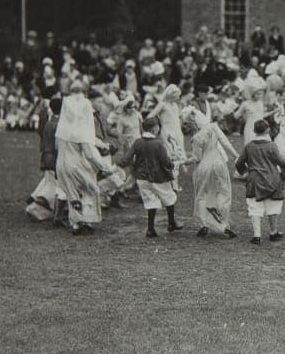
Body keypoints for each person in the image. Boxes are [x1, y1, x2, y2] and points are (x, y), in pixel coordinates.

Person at [54, 80, 116, 236]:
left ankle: (76, 223)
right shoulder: (81, 128)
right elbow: (89, 152)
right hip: (77, 165)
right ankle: (86, 222)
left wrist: (101, 144)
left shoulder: (63, 128)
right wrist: (104, 166)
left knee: (72, 194)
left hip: (62, 165)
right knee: (89, 190)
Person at [234, 118, 285, 245]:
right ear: (267, 130)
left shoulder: (249, 146)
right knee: (273, 206)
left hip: (254, 179)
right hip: (272, 179)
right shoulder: (272, 146)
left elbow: (239, 163)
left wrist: (245, 172)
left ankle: (257, 235)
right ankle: (273, 232)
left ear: (254, 130)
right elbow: (281, 162)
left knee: (254, 207)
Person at [185, 105, 238, 238]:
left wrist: (183, 161)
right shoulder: (213, 127)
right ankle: (223, 223)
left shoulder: (196, 138)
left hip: (204, 166)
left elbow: (197, 158)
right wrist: (236, 155)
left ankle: (204, 224)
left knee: (202, 195)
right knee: (223, 192)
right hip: (219, 164)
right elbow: (226, 143)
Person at [130, 116, 184, 238]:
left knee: (150, 201)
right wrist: (173, 164)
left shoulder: (137, 142)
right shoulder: (158, 144)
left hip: (141, 178)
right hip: (158, 177)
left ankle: (150, 229)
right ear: (154, 128)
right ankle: (171, 223)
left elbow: (128, 158)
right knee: (169, 197)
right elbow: (165, 162)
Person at [25, 95, 63, 223]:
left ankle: (36, 199)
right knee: (53, 185)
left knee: (49, 181)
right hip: (52, 157)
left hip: (46, 156)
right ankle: (37, 205)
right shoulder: (57, 125)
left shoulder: (49, 122)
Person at [150, 84, 186, 191]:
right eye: (177, 95)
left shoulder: (175, 105)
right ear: (171, 95)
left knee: (178, 156)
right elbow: (150, 116)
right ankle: (171, 183)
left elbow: (178, 118)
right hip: (168, 133)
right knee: (171, 157)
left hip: (177, 132)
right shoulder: (162, 105)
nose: (178, 98)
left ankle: (173, 182)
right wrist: (157, 127)